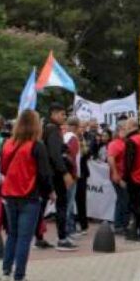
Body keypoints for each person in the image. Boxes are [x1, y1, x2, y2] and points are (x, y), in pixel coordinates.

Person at [0, 110, 53, 281]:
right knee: (24, 238)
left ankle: (5, 273)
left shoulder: (8, 144)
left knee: (12, 235)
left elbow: (2, 169)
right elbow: (44, 174)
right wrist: (49, 192)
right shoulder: (37, 146)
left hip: (9, 194)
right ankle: (19, 277)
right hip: (29, 195)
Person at [41, 103, 77, 251]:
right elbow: (55, 155)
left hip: (47, 173)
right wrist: (65, 173)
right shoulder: (54, 130)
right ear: (54, 114)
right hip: (55, 174)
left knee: (42, 205)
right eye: (62, 114)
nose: (64, 117)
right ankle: (62, 239)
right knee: (61, 205)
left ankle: (38, 237)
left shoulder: (46, 129)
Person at [106, 121, 130, 235]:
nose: (126, 131)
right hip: (119, 177)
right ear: (119, 130)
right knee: (123, 200)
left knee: (122, 200)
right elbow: (111, 158)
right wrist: (116, 175)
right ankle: (120, 225)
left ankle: (120, 224)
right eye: (124, 129)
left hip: (122, 176)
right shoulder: (115, 144)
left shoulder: (123, 142)